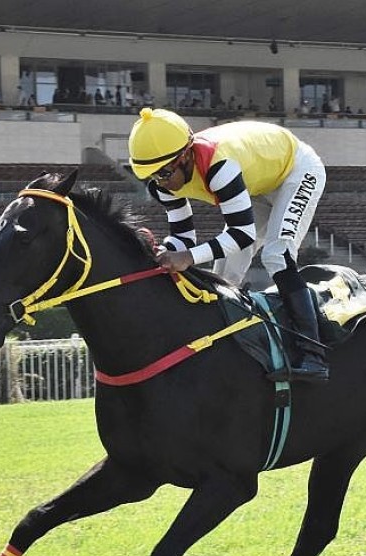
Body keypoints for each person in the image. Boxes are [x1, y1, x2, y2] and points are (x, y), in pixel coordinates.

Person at [128, 107, 329, 382]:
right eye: (150, 175)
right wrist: (168, 252)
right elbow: (184, 236)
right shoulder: (162, 184)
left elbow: (242, 234)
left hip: (296, 171)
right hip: (256, 183)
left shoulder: (219, 167)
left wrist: (187, 257)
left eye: (163, 172)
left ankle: (313, 355)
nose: (161, 182)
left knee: (276, 254)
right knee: (224, 273)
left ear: (185, 156)